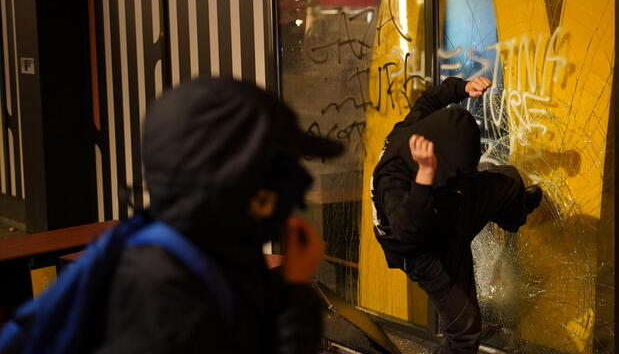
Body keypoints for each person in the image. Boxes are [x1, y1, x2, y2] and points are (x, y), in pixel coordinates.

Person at [94, 77, 343, 354]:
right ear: (227, 180)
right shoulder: (166, 291)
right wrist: (297, 292)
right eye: (274, 170)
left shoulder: (218, 256)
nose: (295, 187)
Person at [371, 76, 543, 354]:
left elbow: (429, 100)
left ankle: (516, 213)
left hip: (451, 201)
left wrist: (462, 88)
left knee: (507, 181)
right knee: (464, 333)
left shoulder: (415, 127)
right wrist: (426, 175)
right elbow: (407, 228)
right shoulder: (392, 178)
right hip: (425, 248)